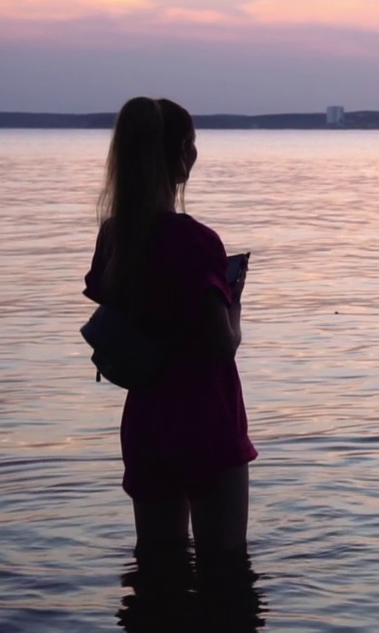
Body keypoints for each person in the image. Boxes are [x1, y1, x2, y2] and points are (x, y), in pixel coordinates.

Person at [83, 96, 257, 570]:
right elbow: (220, 345)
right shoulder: (198, 242)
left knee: (157, 570)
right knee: (227, 575)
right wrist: (234, 301)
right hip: (206, 418)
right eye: (192, 144)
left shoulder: (114, 237)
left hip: (148, 421)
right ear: (181, 154)